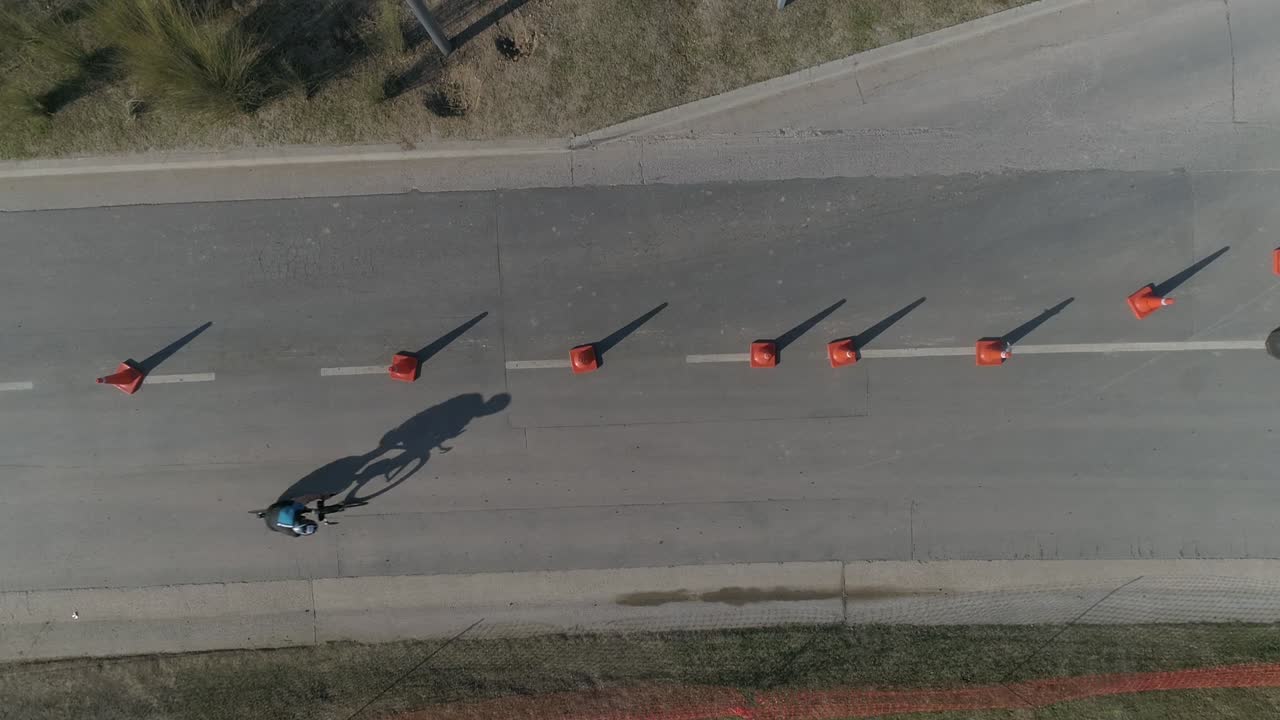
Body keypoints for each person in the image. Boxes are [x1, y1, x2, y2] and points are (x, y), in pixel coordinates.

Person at [259, 494, 330, 537]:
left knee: (298, 502)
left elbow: (297, 505)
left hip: (273, 508)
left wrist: (309, 510)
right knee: (277, 526)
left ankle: (322, 495)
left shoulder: (293, 512)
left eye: (307, 520)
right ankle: (263, 515)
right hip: (270, 524)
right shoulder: (294, 533)